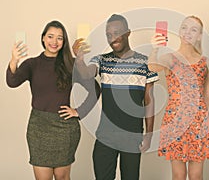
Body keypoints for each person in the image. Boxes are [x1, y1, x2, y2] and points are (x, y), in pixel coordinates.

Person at [6, 20, 99, 180]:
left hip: (64, 129)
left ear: (64, 42)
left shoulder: (70, 65)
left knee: (62, 177)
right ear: (43, 38)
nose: (54, 42)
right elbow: (12, 82)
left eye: (59, 38)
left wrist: (79, 111)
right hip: (39, 128)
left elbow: (95, 89)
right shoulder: (32, 64)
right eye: (50, 36)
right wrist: (14, 60)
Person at [73, 14, 159, 180]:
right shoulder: (102, 61)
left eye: (117, 32)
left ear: (128, 33)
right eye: (109, 35)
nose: (113, 38)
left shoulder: (146, 63)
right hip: (106, 136)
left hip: (132, 135)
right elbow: (86, 74)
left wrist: (149, 135)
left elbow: (149, 100)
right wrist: (79, 59)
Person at [148, 16, 209, 180]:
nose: (188, 32)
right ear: (179, 31)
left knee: (196, 175)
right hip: (175, 121)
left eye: (193, 29)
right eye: (184, 27)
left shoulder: (204, 62)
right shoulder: (170, 58)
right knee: (178, 175)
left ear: (199, 35)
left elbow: (207, 95)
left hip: (199, 122)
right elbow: (152, 66)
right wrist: (154, 48)